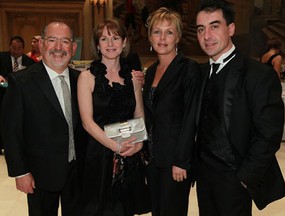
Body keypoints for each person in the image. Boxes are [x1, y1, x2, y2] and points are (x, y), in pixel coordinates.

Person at [195, 1, 285, 215]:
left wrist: (245, 178)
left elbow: (269, 134)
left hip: (235, 179)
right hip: (204, 178)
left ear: (231, 29)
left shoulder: (257, 75)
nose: (206, 35)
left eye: (214, 26)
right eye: (201, 29)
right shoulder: (199, 73)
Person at [1, 21, 87, 216]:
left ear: (73, 48)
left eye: (65, 41)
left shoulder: (81, 80)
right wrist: (21, 172)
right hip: (40, 173)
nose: (58, 48)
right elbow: (11, 131)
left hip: (78, 172)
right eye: (52, 40)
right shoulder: (21, 82)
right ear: (41, 44)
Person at [77, 19, 150, 216]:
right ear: (97, 45)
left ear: (124, 42)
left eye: (115, 38)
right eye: (104, 39)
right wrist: (115, 147)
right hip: (99, 156)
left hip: (129, 154)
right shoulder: (87, 77)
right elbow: (87, 122)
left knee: (124, 209)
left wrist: (139, 145)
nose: (110, 44)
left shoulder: (133, 78)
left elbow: (139, 116)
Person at [142, 7, 201, 216]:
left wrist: (181, 161)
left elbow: (191, 118)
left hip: (175, 162)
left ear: (178, 36)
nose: (162, 38)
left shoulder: (189, 69)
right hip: (153, 158)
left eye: (169, 32)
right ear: (150, 37)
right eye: (157, 32)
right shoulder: (150, 71)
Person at [0, 35, 36, 155]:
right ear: (9, 46)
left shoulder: (29, 62)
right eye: (13, 48)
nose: (15, 51)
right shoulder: (1, 57)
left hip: (21, 98)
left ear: (23, 48)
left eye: (19, 48)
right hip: (2, 95)